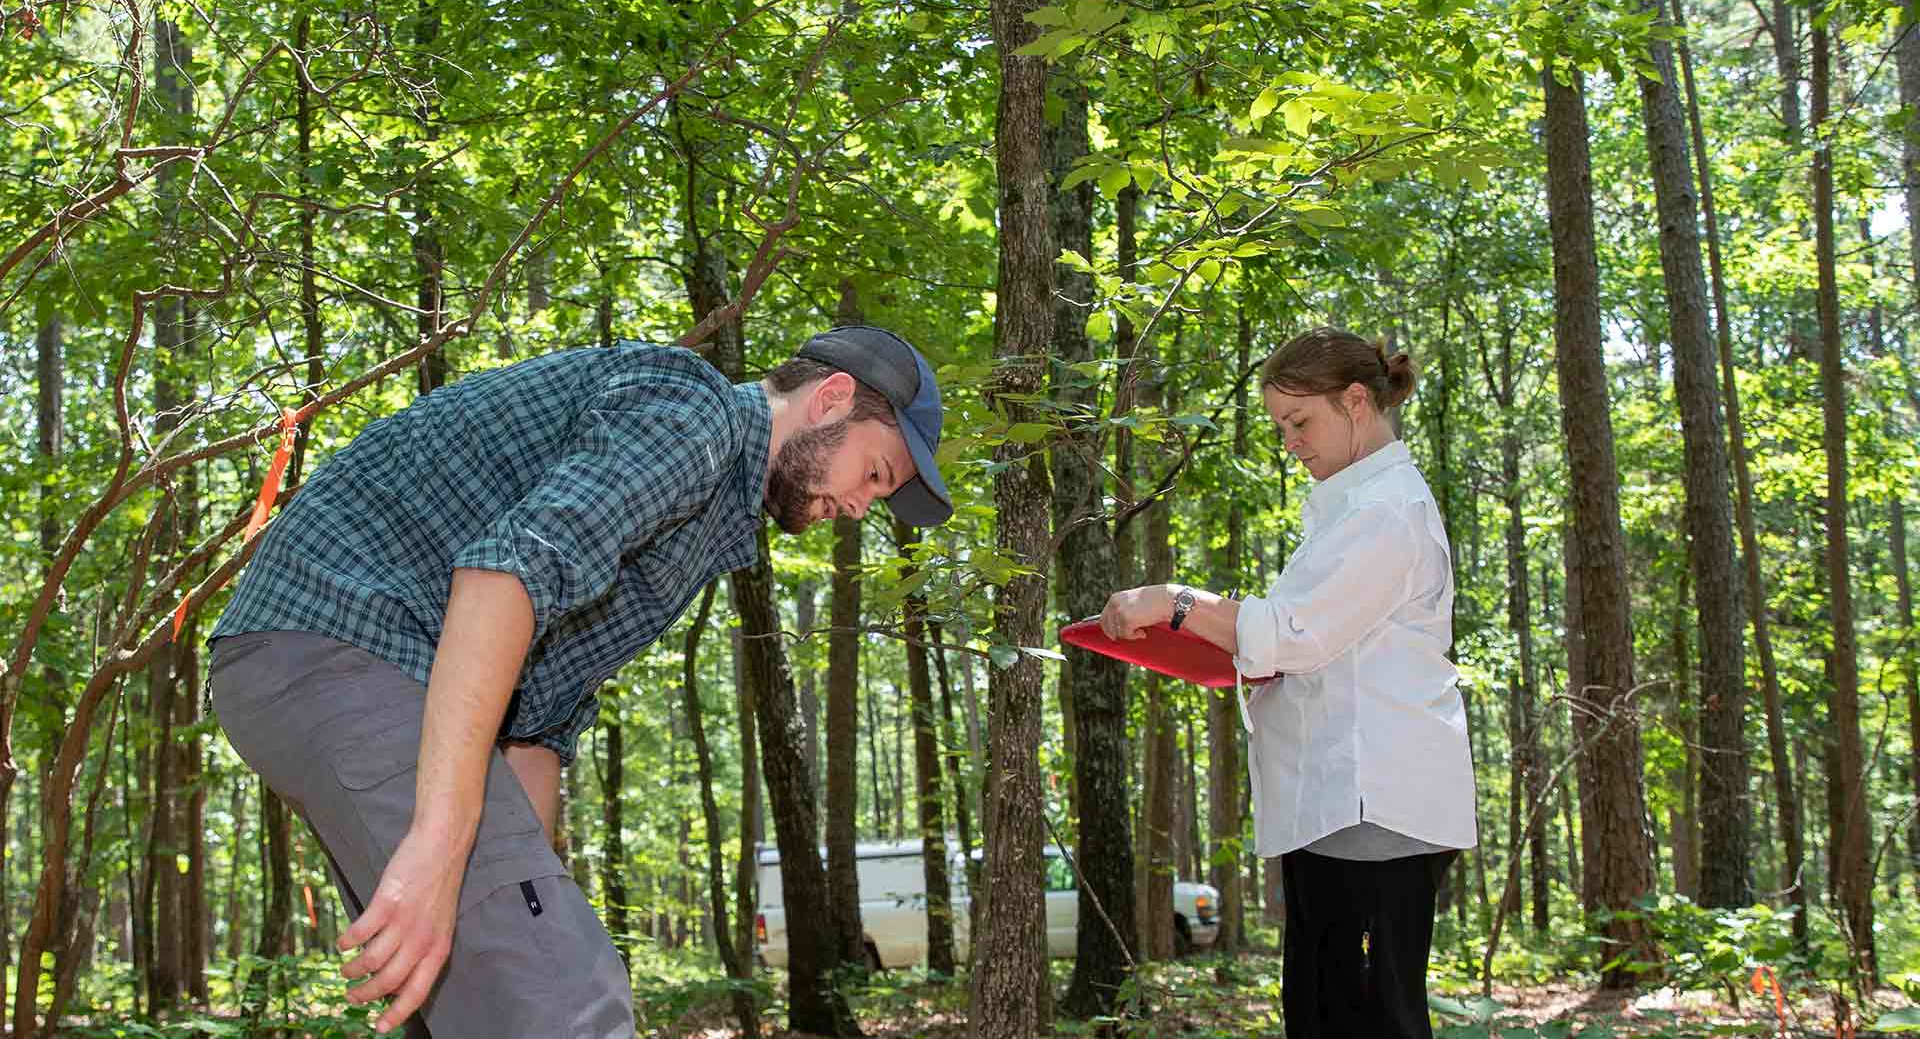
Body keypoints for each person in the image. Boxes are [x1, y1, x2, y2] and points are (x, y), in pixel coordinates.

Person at [208, 325, 951, 1037]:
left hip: (339, 666)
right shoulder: (696, 413)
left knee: (512, 987)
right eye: (875, 473)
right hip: (342, 637)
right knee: (566, 1006)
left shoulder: (705, 517)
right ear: (831, 399)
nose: (860, 506)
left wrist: (525, 888)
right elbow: (504, 572)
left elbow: (537, 721)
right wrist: (446, 842)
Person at [1098, 326, 1476, 1039]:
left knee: (1367, 1014)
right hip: (1335, 802)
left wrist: (1176, 603)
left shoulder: (1387, 511)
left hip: (1374, 803)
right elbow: (1304, 640)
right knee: (1322, 1004)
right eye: (1280, 426)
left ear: (1357, 402)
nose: (1290, 441)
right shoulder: (1350, 510)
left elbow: (1297, 632)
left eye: (1299, 421)